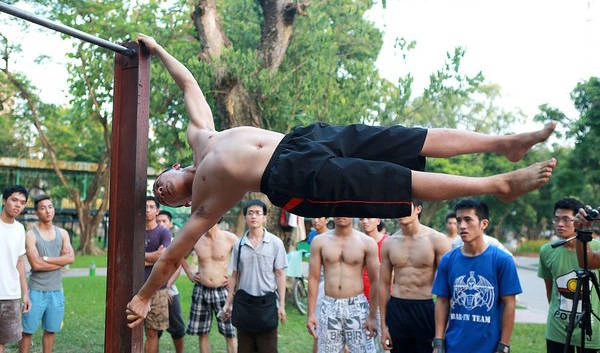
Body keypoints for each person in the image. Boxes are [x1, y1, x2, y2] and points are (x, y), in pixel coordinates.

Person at [127, 33, 557, 326]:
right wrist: (145, 297)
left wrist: (157, 48)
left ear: (172, 166)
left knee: (401, 140)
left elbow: (187, 81)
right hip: (292, 178)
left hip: (303, 140)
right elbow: (169, 259)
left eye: (157, 181)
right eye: (160, 196)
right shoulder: (205, 204)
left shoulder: (203, 134)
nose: (159, 190)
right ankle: (497, 185)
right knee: (388, 179)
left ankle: (503, 143)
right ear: (181, 205)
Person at [432, 199, 521, 353]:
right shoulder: (448, 260)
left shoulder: (502, 260)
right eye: (459, 220)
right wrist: (438, 341)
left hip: (490, 346)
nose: (462, 226)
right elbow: (442, 301)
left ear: (483, 224)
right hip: (455, 344)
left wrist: (504, 345)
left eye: (468, 220)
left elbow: (509, 304)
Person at [379, 201, 450, 353]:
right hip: (397, 308)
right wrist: (383, 326)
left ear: (418, 209)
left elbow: (447, 287)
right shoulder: (389, 243)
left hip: (425, 307)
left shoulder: (437, 240)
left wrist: (442, 330)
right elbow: (384, 285)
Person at [221, 200, 287, 353]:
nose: (254, 216)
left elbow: (280, 274)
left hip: (267, 304)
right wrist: (227, 304)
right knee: (245, 349)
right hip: (245, 305)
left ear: (264, 218)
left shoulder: (275, 243)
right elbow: (234, 275)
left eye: (258, 213)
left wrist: (282, 305)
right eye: (250, 213)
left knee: (268, 349)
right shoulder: (239, 244)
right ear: (245, 217)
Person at [307, 217, 379, 352]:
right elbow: (313, 278)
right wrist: (311, 314)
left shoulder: (367, 243)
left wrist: (372, 316)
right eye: (338, 209)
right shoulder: (320, 241)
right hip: (329, 305)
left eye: (346, 209)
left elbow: (375, 280)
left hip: (357, 306)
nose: (342, 214)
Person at [540, 198, 600, 352]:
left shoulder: (595, 248)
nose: (560, 224)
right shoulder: (547, 251)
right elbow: (550, 290)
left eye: (566, 220)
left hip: (590, 330)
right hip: (557, 331)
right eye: (557, 219)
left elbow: (590, 261)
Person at [19, 195, 74, 353]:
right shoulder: (31, 235)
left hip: (56, 291)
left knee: (50, 331)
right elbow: (35, 264)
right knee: (27, 332)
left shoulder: (62, 233)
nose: (48, 211)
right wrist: (60, 263)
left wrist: (46, 259)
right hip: (35, 291)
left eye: (50, 207)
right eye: (43, 208)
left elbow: (70, 258)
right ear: (37, 213)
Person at [182, 220, 238, 353]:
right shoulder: (196, 239)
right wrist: (189, 273)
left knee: (230, 332)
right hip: (201, 290)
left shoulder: (230, 238)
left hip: (223, 291)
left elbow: (245, 258)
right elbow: (180, 256)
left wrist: (234, 279)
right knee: (203, 333)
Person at [0, 185, 31, 353]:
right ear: (4, 200)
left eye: (22, 202)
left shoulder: (20, 229)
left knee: (2, 341)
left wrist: (25, 293)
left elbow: (20, 262)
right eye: (14, 200)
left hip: (10, 294)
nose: (18, 205)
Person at [143, 196, 172, 353]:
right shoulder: (136, 230)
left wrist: (142, 257)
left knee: (153, 332)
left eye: (151, 207)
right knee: (132, 329)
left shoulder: (163, 232)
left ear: (157, 211)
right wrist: (153, 257)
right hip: (136, 286)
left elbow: (163, 258)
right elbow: (130, 256)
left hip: (157, 288)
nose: (147, 210)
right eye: (145, 206)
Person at [155, 210, 185, 353]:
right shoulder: (152, 239)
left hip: (170, 292)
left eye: (164, 221)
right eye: (158, 221)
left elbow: (178, 267)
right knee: (154, 331)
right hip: (152, 292)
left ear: (171, 224)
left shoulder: (176, 242)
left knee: (178, 328)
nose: (161, 224)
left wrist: (166, 287)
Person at [359, 218, 388, 302]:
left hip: (381, 298)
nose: (364, 221)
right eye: (361, 219)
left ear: (378, 221)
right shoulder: (355, 242)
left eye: (368, 218)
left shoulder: (388, 242)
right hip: (359, 299)